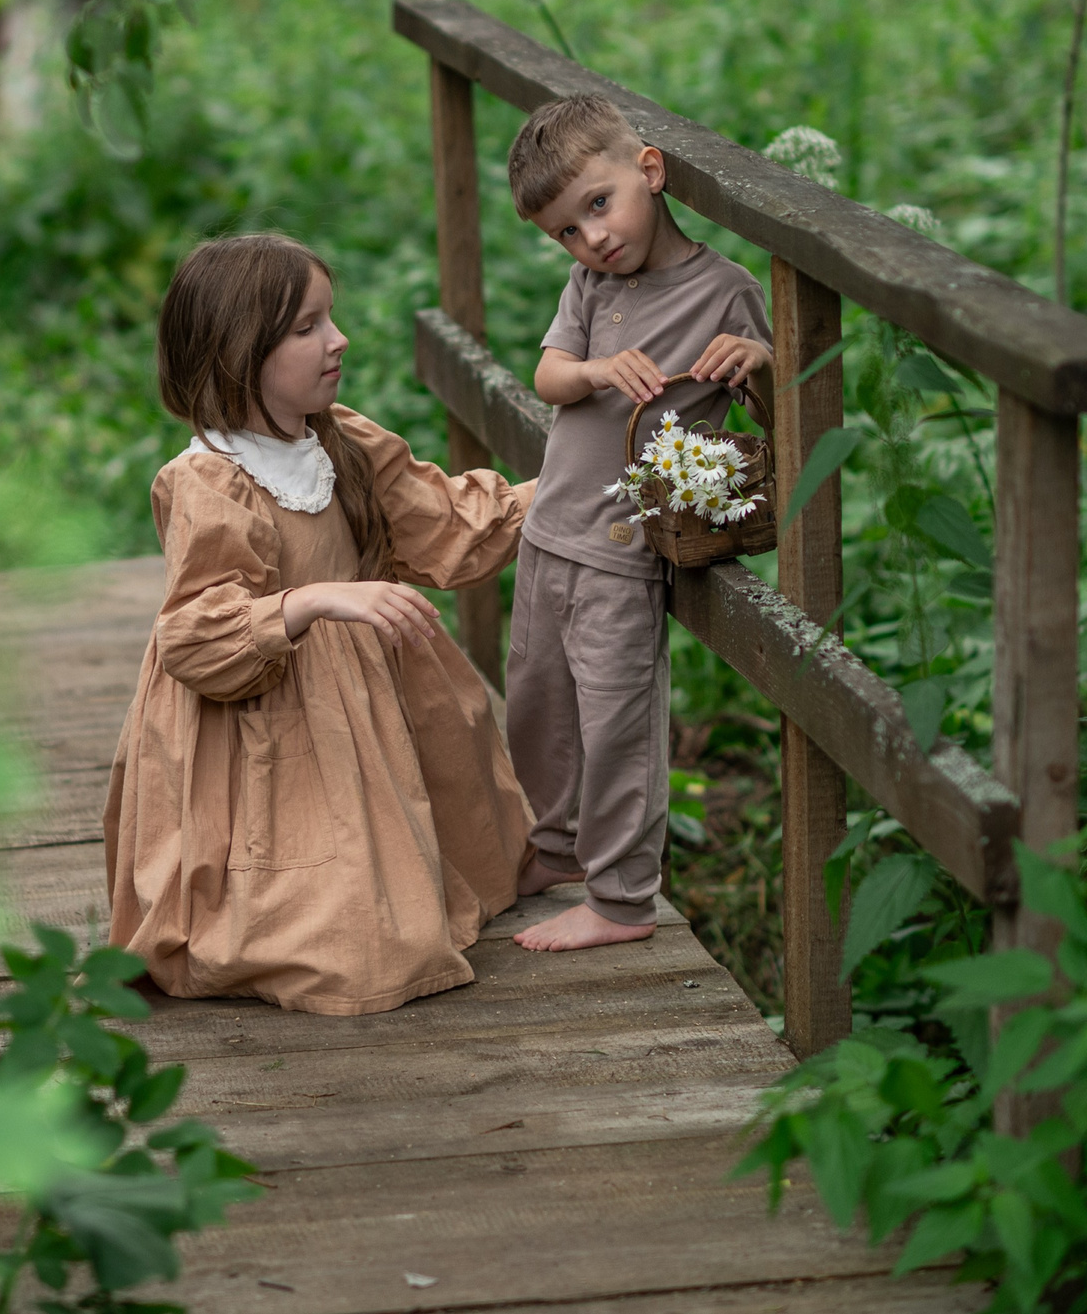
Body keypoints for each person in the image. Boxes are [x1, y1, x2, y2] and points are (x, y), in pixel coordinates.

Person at [103, 233, 539, 1015]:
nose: (338, 339)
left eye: (328, 318)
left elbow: (446, 522)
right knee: (355, 940)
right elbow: (195, 636)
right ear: (240, 353)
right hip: (264, 719)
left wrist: (574, 484)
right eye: (307, 327)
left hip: (359, 694)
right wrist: (313, 601)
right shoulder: (211, 479)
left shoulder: (342, 439)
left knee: (445, 840)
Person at [502, 95, 773, 954]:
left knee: (617, 722)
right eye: (566, 231)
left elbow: (778, 411)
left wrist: (759, 360)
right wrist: (592, 370)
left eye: (599, 204)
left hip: (623, 550)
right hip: (549, 529)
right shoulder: (591, 286)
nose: (592, 237)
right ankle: (552, 847)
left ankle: (620, 897)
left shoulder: (726, 291)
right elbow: (548, 376)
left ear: (649, 170)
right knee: (536, 705)